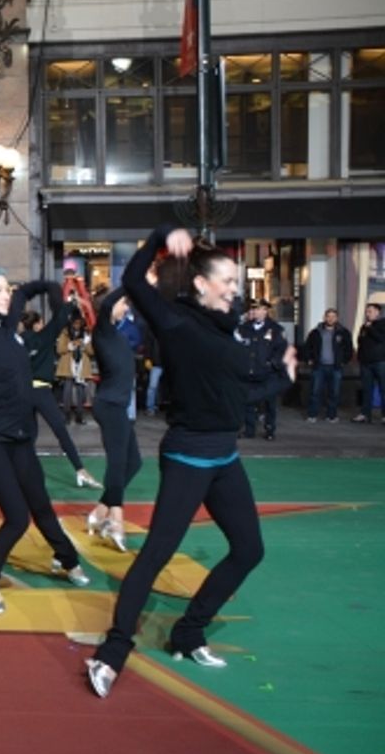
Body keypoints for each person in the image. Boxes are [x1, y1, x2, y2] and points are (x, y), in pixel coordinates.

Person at [86, 226, 296, 698]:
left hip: (225, 457)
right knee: (156, 555)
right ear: (201, 283)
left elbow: (236, 396)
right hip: (187, 457)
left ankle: (188, 632)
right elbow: (134, 280)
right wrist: (161, 235)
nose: (236, 288)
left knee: (249, 549)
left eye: (237, 281)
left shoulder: (229, 328)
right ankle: (113, 651)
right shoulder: (177, 322)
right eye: (228, 280)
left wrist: (282, 378)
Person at [0, 267, 91, 615]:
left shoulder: (9, 328)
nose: (7, 294)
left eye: (7, 289)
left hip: (21, 436)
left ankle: (68, 560)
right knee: (17, 517)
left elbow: (27, 292)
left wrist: (53, 287)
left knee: (41, 506)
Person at [20, 300, 101, 488]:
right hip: (42, 391)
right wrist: (73, 302)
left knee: (28, 435)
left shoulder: (18, 341)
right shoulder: (45, 336)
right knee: (60, 431)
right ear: (37, 324)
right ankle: (80, 470)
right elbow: (61, 317)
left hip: (23, 392)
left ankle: (23, 474)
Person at [87, 288, 142, 550]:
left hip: (119, 405)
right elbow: (108, 302)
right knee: (118, 462)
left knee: (134, 462)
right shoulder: (103, 331)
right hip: (109, 405)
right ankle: (115, 519)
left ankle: (100, 511)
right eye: (123, 303)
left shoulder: (118, 334)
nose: (126, 307)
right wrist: (131, 281)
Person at [235, 299, 288, 440]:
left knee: (270, 403)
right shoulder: (244, 328)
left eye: (259, 309)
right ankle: (249, 430)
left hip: (268, 373)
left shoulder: (276, 329)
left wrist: (272, 364)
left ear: (265, 311)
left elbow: (281, 349)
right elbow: (237, 347)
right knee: (249, 402)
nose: (256, 312)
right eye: (254, 309)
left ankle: (270, 430)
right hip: (249, 371)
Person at [303, 308, 353, 422]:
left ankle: (331, 416)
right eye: (328, 316)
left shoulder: (343, 332)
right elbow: (307, 347)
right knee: (315, 392)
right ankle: (312, 415)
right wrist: (309, 359)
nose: (330, 319)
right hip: (319, 366)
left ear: (337, 318)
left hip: (336, 367)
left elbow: (349, 349)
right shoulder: (315, 332)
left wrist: (343, 361)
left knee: (334, 393)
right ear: (324, 317)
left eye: (333, 316)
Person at [55, 311, 94, 425]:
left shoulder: (86, 335)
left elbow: (92, 352)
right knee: (67, 391)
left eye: (79, 323)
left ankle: (79, 416)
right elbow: (59, 349)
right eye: (75, 323)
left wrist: (84, 345)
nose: (77, 325)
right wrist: (71, 345)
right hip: (69, 365)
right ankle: (66, 415)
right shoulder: (65, 333)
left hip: (81, 365)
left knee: (81, 392)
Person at [355, 302, 385, 423]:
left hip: (380, 362)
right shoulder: (364, 326)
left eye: (370, 311)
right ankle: (365, 414)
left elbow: (381, 339)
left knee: (383, 389)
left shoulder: (382, 324)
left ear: (377, 312)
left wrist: (370, 328)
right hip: (365, 363)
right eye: (366, 312)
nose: (367, 314)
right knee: (367, 389)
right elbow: (360, 341)